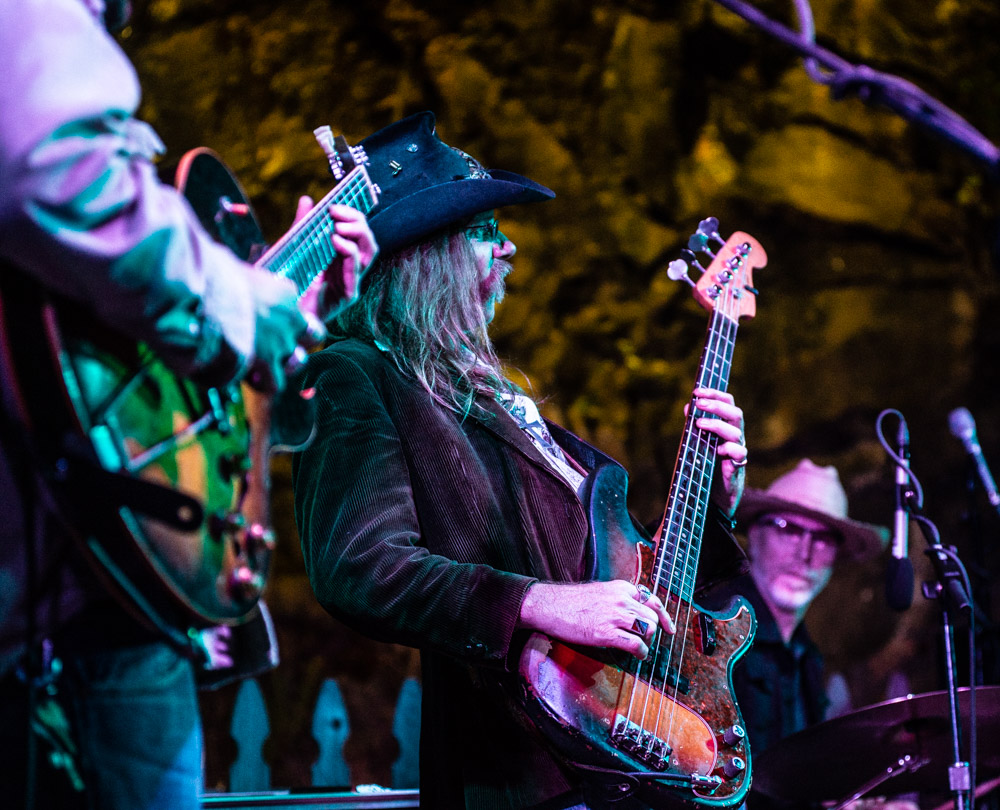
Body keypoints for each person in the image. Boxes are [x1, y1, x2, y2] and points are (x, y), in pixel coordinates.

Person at [292, 110, 751, 810]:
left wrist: (717, 493)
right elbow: (363, 567)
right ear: (428, 252)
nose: (508, 249)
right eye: (485, 232)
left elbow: (636, 585)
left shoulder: (500, 402)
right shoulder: (358, 376)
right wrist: (538, 604)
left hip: (624, 757)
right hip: (518, 772)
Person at [0, 0, 378, 807]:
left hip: (104, 582)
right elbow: (46, 161)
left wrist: (296, 319)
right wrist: (239, 305)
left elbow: (159, 383)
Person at [701, 459, 889, 762]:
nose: (804, 553)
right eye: (788, 529)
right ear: (754, 536)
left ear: (835, 559)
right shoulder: (706, 626)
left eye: (823, 539)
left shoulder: (808, 657)